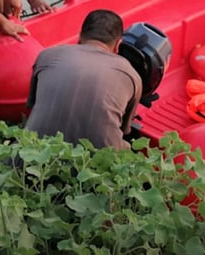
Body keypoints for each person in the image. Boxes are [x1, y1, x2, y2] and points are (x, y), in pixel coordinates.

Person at [25, 10, 142, 150]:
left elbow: (32, 105)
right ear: (118, 45)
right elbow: (124, 130)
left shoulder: (47, 55)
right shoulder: (131, 75)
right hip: (97, 161)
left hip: (37, 152)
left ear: (79, 37)